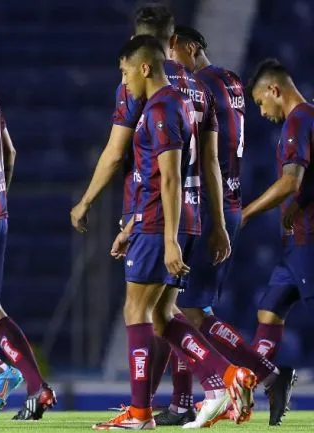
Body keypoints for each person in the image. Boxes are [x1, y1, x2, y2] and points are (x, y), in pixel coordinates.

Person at [91, 35, 256, 430]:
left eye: (125, 71)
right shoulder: (185, 101)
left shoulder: (161, 108)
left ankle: (140, 413)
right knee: (165, 315)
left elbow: (167, 180)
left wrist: (166, 239)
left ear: (144, 66)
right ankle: (226, 378)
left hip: (161, 223)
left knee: (137, 310)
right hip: (171, 220)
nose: (124, 80)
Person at [160, 25, 296, 427]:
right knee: (188, 307)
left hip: (206, 205)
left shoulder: (197, 86)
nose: (171, 63)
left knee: (184, 310)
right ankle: (192, 398)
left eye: (172, 51)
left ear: (187, 46)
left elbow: (204, 153)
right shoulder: (231, 80)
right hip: (228, 201)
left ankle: (249, 377)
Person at [242, 57, 313, 426]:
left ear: (274, 90)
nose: (262, 111)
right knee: (268, 311)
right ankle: (273, 381)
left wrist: (248, 211)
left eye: (259, 102)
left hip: (309, 241)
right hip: (295, 244)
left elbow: (290, 181)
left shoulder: (297, 120)